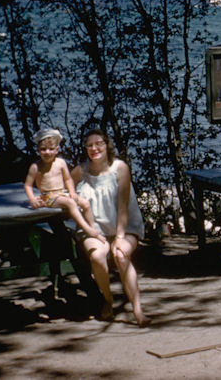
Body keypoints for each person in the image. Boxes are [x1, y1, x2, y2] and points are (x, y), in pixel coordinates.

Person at [71, 127, 148, 326]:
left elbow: (123, 206)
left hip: (124, 226)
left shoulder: (120, 168)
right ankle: (108, 300)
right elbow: (65, 195)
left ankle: (137, 309)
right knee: (97, 256)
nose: (94, 148)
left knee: (121, 256)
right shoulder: (80, 171)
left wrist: (120, 237)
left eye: (98, 144)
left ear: (107, 145)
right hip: (94, 229)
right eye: (89, 145)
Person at [24, 128, 106, 243]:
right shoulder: (35, 167)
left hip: (63, 193)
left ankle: (93, 228)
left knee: (85, 203)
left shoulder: (60, 163)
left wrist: (72, 192)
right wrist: (32, 199)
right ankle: (87, 229)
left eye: (51, 149)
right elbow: (27, 185)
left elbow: (68, 179)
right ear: (38, 150)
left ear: (57, 149)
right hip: (48, 196)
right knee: (71, 203)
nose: (47, 152)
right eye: (43, 149)